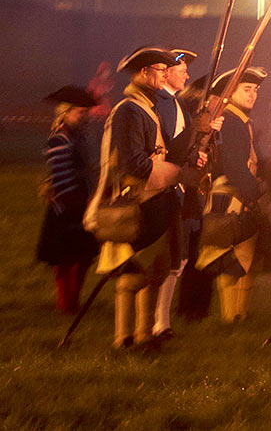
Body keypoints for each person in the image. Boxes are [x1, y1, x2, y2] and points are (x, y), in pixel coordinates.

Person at [83, 46, 188, 349]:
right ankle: (123, 338)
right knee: (133, 274)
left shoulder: (147, 108)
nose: (165, 74)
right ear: (144, 73)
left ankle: (144, 335)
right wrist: (172, 173)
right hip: (136, 203)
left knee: (153, 271)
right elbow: (131, 162)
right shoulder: (129, 110)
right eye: (160, 69)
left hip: (155, 200)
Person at [196, 67, 271, 323]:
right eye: (247, 89)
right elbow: (235, 166)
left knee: (248, 260)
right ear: (230, 93)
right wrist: (256, 191)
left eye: (255, 90)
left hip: (242, 195)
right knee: (229, 259)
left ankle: (239, 316)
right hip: (232, 196)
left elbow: (252, 158)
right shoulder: (231, 122)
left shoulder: (241, 121)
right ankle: (230, 317)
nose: (253, 94)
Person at [152, 49, 223, 338]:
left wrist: (199, 149)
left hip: (184, 189)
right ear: (165, 71)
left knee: (179, 259)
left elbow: (185, 150)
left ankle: (161, 320)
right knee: (168, 259)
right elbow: (167, 149)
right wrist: (199, 129)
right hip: (166, 187)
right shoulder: (161, 105)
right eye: (182, 68)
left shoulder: (177, 106)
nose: (187, 74)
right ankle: (158, 321)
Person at [36, 86, 100, 314]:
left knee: (82, 257)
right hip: (66, 204)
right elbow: (59, 174)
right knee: (66, 259)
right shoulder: (60, 138)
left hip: (82, 200)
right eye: (80, 114)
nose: (83, 118)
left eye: (85, 114)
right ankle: (66, 304)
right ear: (66, 112)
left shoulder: (78, 137)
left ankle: (74, 301)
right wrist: (72, 204)